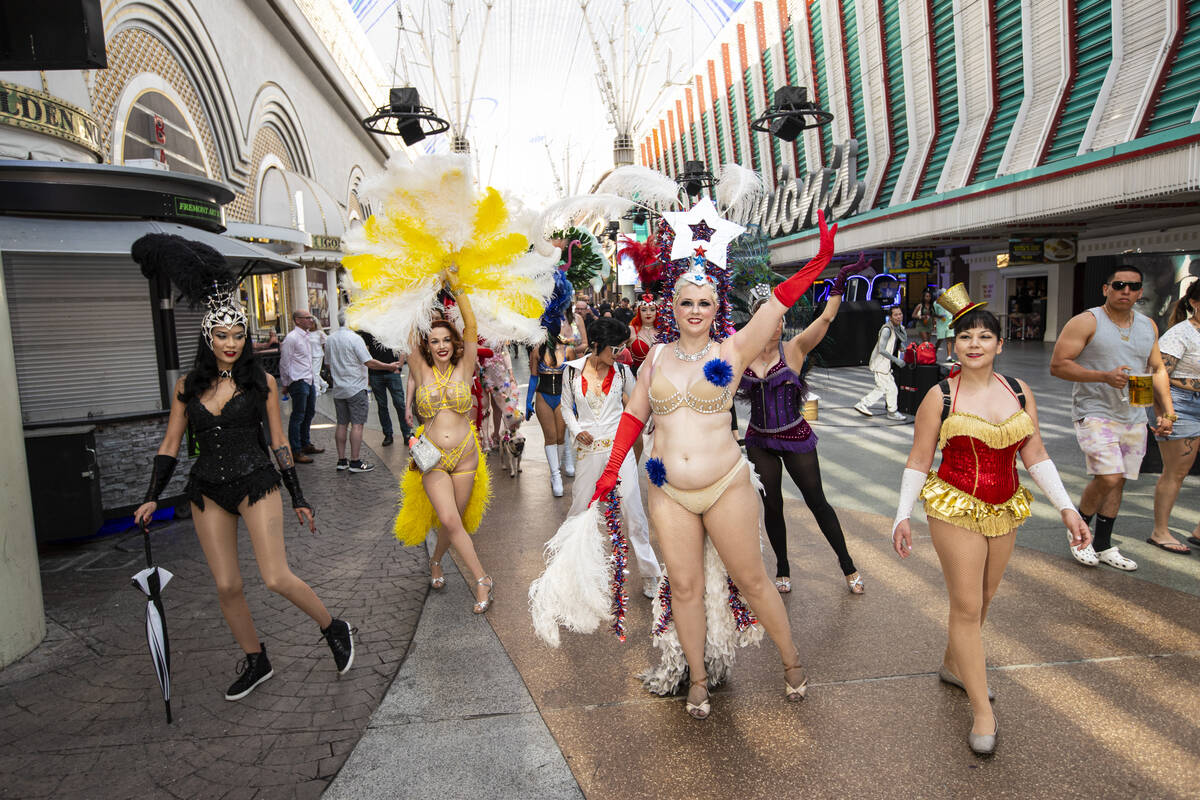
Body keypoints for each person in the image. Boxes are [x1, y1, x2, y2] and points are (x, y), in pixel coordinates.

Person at [588, 209, 843, 720]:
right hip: (668, 489)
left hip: (725, 483)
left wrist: (819, 261)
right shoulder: (654, 358)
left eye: (705, 301)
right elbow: (636, 415)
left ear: (716, 305)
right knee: (682, 585)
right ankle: (698, 681)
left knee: (751, 580)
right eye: (687, 301)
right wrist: (612, 469)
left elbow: (778, 303)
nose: (696, 309)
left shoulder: (736, 346)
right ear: (672, 307)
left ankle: (792, 663)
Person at [131, 234, 353, 701]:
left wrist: (298, 496)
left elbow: (277, 443)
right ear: (208, 337)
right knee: (227, 586)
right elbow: (171, 444)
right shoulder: (187, 387)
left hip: (256, 482)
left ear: (245, 337)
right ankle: (256, 659)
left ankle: (334, 627)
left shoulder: (263, 382)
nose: (231, 344)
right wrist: (152, 494)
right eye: (222, 335)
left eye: (238, 335)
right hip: (208, 489)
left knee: (274, 576)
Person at [892, 286, 1090, 755]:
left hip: (1006, 507)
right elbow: (919, 460)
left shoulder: (1019, 391)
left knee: (982, 598)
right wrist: (902, 516)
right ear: (952, 346)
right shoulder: (938, 397)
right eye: (965, 337)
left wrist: (1067, 506)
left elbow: (1035, 453)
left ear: (1000, 345)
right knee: (964, 605)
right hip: (954, 505)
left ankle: (954, 665)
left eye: (984, 336)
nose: (975, 344)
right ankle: (983, 711)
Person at [738, 258, 868, 596]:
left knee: (817, 501)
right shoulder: (740, 352)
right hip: (759, 440)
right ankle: (782, 566)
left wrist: (838, 284)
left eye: (781, 317)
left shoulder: (794, 349)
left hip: (795, 435)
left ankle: (847, 564)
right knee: (773, 505)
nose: (778, 324)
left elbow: (825, 318)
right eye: (770, 317)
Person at [1050, 265, 1177, 571]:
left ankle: (1104, 544)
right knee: (1107, 476)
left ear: (1140, 292)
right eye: (1119, 285)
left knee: (1118, 481)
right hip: (1094, 411)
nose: (1126, 291)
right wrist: (1102, 377)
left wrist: (1167, 410)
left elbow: (1156, 367)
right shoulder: (1086, 321)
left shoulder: (1148, 326)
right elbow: (1058, 365)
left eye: (1133, 286)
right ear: (1105, 289)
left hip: (1134, 410)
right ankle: (1079, 531)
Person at [395, 298, 495, 613]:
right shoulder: (420, 369)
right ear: (427, 344)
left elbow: (472, 326)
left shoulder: (465, 367)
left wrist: (460, 288)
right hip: (433, 459)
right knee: (450, 519)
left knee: (455, 523)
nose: (441, 345)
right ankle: (482, 579)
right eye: (434, 340)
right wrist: (421, 290)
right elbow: (409, 330)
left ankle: (436, 560)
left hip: (465, 456)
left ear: (454, 343)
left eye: (446, 340)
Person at [561, 318, 661, 598]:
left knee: (632, 507)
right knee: (580, 507)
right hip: (588, 451)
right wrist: (577, 429)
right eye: (613, 348)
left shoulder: (622, 371)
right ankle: (569, 570)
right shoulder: (571, 372)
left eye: (620, 348)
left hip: (620, 450)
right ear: (596, 344)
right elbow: (566, 408)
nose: (618, 353)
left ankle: (650, 572)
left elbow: (638, 400)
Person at [1148, 279, 1200, 554]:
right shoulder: (1181, 334)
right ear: (1194, 303)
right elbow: (1159, 374)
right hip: (1181, 405)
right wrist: (1163, 413)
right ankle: (1160, 531)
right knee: (1176, 472)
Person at [326, 316, 398, 473]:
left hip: (339, 388)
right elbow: (369, 362)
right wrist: (389, 366)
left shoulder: (330, 339)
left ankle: (341, 460)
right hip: (356, 387)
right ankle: (355, 461)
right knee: (357, 425)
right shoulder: (355, 339)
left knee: (342, 424)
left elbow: (328, 363)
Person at [529, 320, 571, 496]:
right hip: (543, 396)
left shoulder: (568, 350)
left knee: (560, 436)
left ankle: (559, 467)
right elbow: (533, 378)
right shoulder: (537, 350)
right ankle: (555, 475)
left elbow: (572, 378)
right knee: (550, 437)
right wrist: (527, 402)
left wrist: (575, 402)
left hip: (562, 397)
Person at [279, 309, 323, 463]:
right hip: (298, 380)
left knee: (309, 412)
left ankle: (305, 443)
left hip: (308, 379)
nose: (311, 320)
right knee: (298, 415)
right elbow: (285, 362)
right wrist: (285, 383)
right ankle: (296, 450)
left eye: (310, 317)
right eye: (307, 318)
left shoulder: (306, 336)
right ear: (297, 320)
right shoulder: (291, 338)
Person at [359, 329, 412, 447]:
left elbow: (402, 347)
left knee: (399, 403)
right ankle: (388, 434)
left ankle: (407, 433)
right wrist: (367, 373)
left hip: (393, 372)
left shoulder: (391, 327)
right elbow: (366, 353)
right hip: (375, 374)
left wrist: (399, 366)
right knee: (382, 405)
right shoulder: (368, 331)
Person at [855, 305, 908, 420]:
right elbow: (882, 349)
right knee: (885, 388)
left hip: (885, 365)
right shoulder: (886, 330)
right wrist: (896, 360)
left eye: (900, 314)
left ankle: (891, 412)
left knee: (889, 388)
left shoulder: (897, 328)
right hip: (880, 364)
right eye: (896, 315)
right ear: (890, 317)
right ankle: (864, 404)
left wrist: (900, 347)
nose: (899, 317)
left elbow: (895, 343)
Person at [627, 297, 658, 375]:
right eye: (644, 310)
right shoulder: (631, 330)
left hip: (660, 380)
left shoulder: (664, 331)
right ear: (639, 312)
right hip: (636, 379)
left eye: (652, 309)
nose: (648, 313)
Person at [933, 288, 954, 362]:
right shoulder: (936, 303)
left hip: (949, 322)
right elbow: (934, 314)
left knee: (949, 339)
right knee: (940, 339)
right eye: (942, 294)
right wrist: (935, 323)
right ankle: (933, 354)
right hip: (941, 323)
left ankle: (949, 356)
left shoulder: (949, 302)